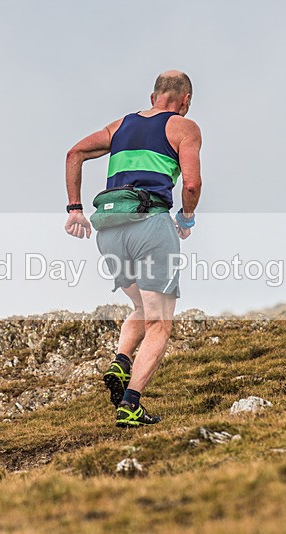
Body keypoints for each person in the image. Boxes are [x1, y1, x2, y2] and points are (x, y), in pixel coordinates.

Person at [64, 70, 202, 427]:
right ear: (185, 100)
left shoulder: (120, 126)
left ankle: (122, 360)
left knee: (141, 305)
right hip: (150, 225)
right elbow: (191, 184)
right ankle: (130, 404)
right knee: (160, 323)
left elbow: (74, 153)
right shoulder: (184, 128)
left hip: (108, 231)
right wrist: (186, 219)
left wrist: (75, 209)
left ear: (153, 95)